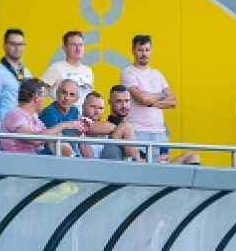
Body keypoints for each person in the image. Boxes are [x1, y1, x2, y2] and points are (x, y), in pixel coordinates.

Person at [120, 34, 198, 164]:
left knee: (163, 169)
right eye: (140, 50)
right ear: (133, 50)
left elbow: (173, 101)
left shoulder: (157, 74)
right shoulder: (128, 72)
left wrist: (152, 101)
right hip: (139, 132)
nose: (144, 54)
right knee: (142, 169)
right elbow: (142, 99)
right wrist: (160, 95)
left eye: (147, 50)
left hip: (160, 133)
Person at [0, 78, 85, 156]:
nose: (44, 100)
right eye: (43, 95)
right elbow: (35, 139)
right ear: (37, 97)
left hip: (34, 165)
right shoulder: (15, 115)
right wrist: (64, 125)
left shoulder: (36, 121)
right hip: (18, 166)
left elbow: (53, 139)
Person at [0, 28, 32, 133]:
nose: (17, 48)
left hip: (24, 131)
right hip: (6, 131)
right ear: (4, 46)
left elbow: (30, 103)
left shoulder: (27, 73)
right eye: (13, 44)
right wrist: (1, 132)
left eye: (20, 44)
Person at [39, 30, 94, 101]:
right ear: (65, 48)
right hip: (62, 111)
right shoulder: (57, 68)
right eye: (74, 45)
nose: (78, 48)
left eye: (81, 45)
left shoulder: (88, 71)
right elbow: (37, 90)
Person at [38, 79, 87, 156]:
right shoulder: (49, 112)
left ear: (77, 99)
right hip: (50, 156)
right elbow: (57, 142)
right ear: (57, 93)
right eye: (64, 93)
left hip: (68, 155)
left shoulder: (74, 110)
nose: (67, 98)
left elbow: (71, 137)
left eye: (72, 95)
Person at [77, 90, 130, 159]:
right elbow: (99, 126)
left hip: (105, 160)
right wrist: (120, 129)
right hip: (98, 163)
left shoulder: (101, 124)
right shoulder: (80, 121)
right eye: (93, 107)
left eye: (100, 108)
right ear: (83, 107)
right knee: (126, 127)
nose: (97, 111)